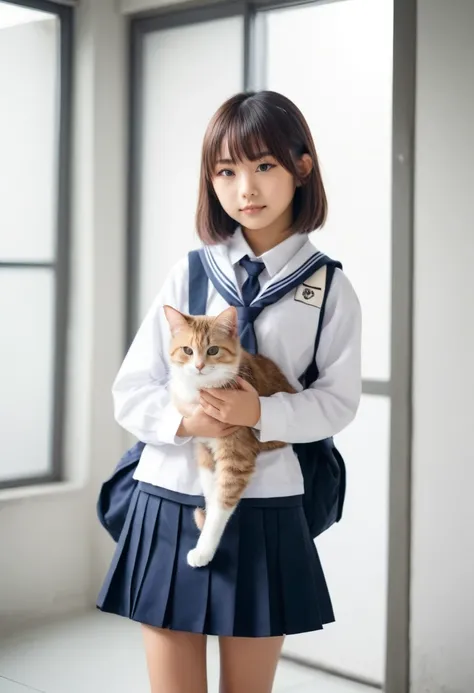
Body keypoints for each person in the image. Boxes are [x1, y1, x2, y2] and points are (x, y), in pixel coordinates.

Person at [97, 90, 362, 693]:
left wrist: (260, 411)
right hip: (168, 495)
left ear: (302, 167)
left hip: (265, 503)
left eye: (264, 165)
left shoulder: (329, 289)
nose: (246, 187)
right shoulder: (189, 272)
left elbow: (339, 402)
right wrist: (185, 422)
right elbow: (132, 389)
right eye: (226, 171)